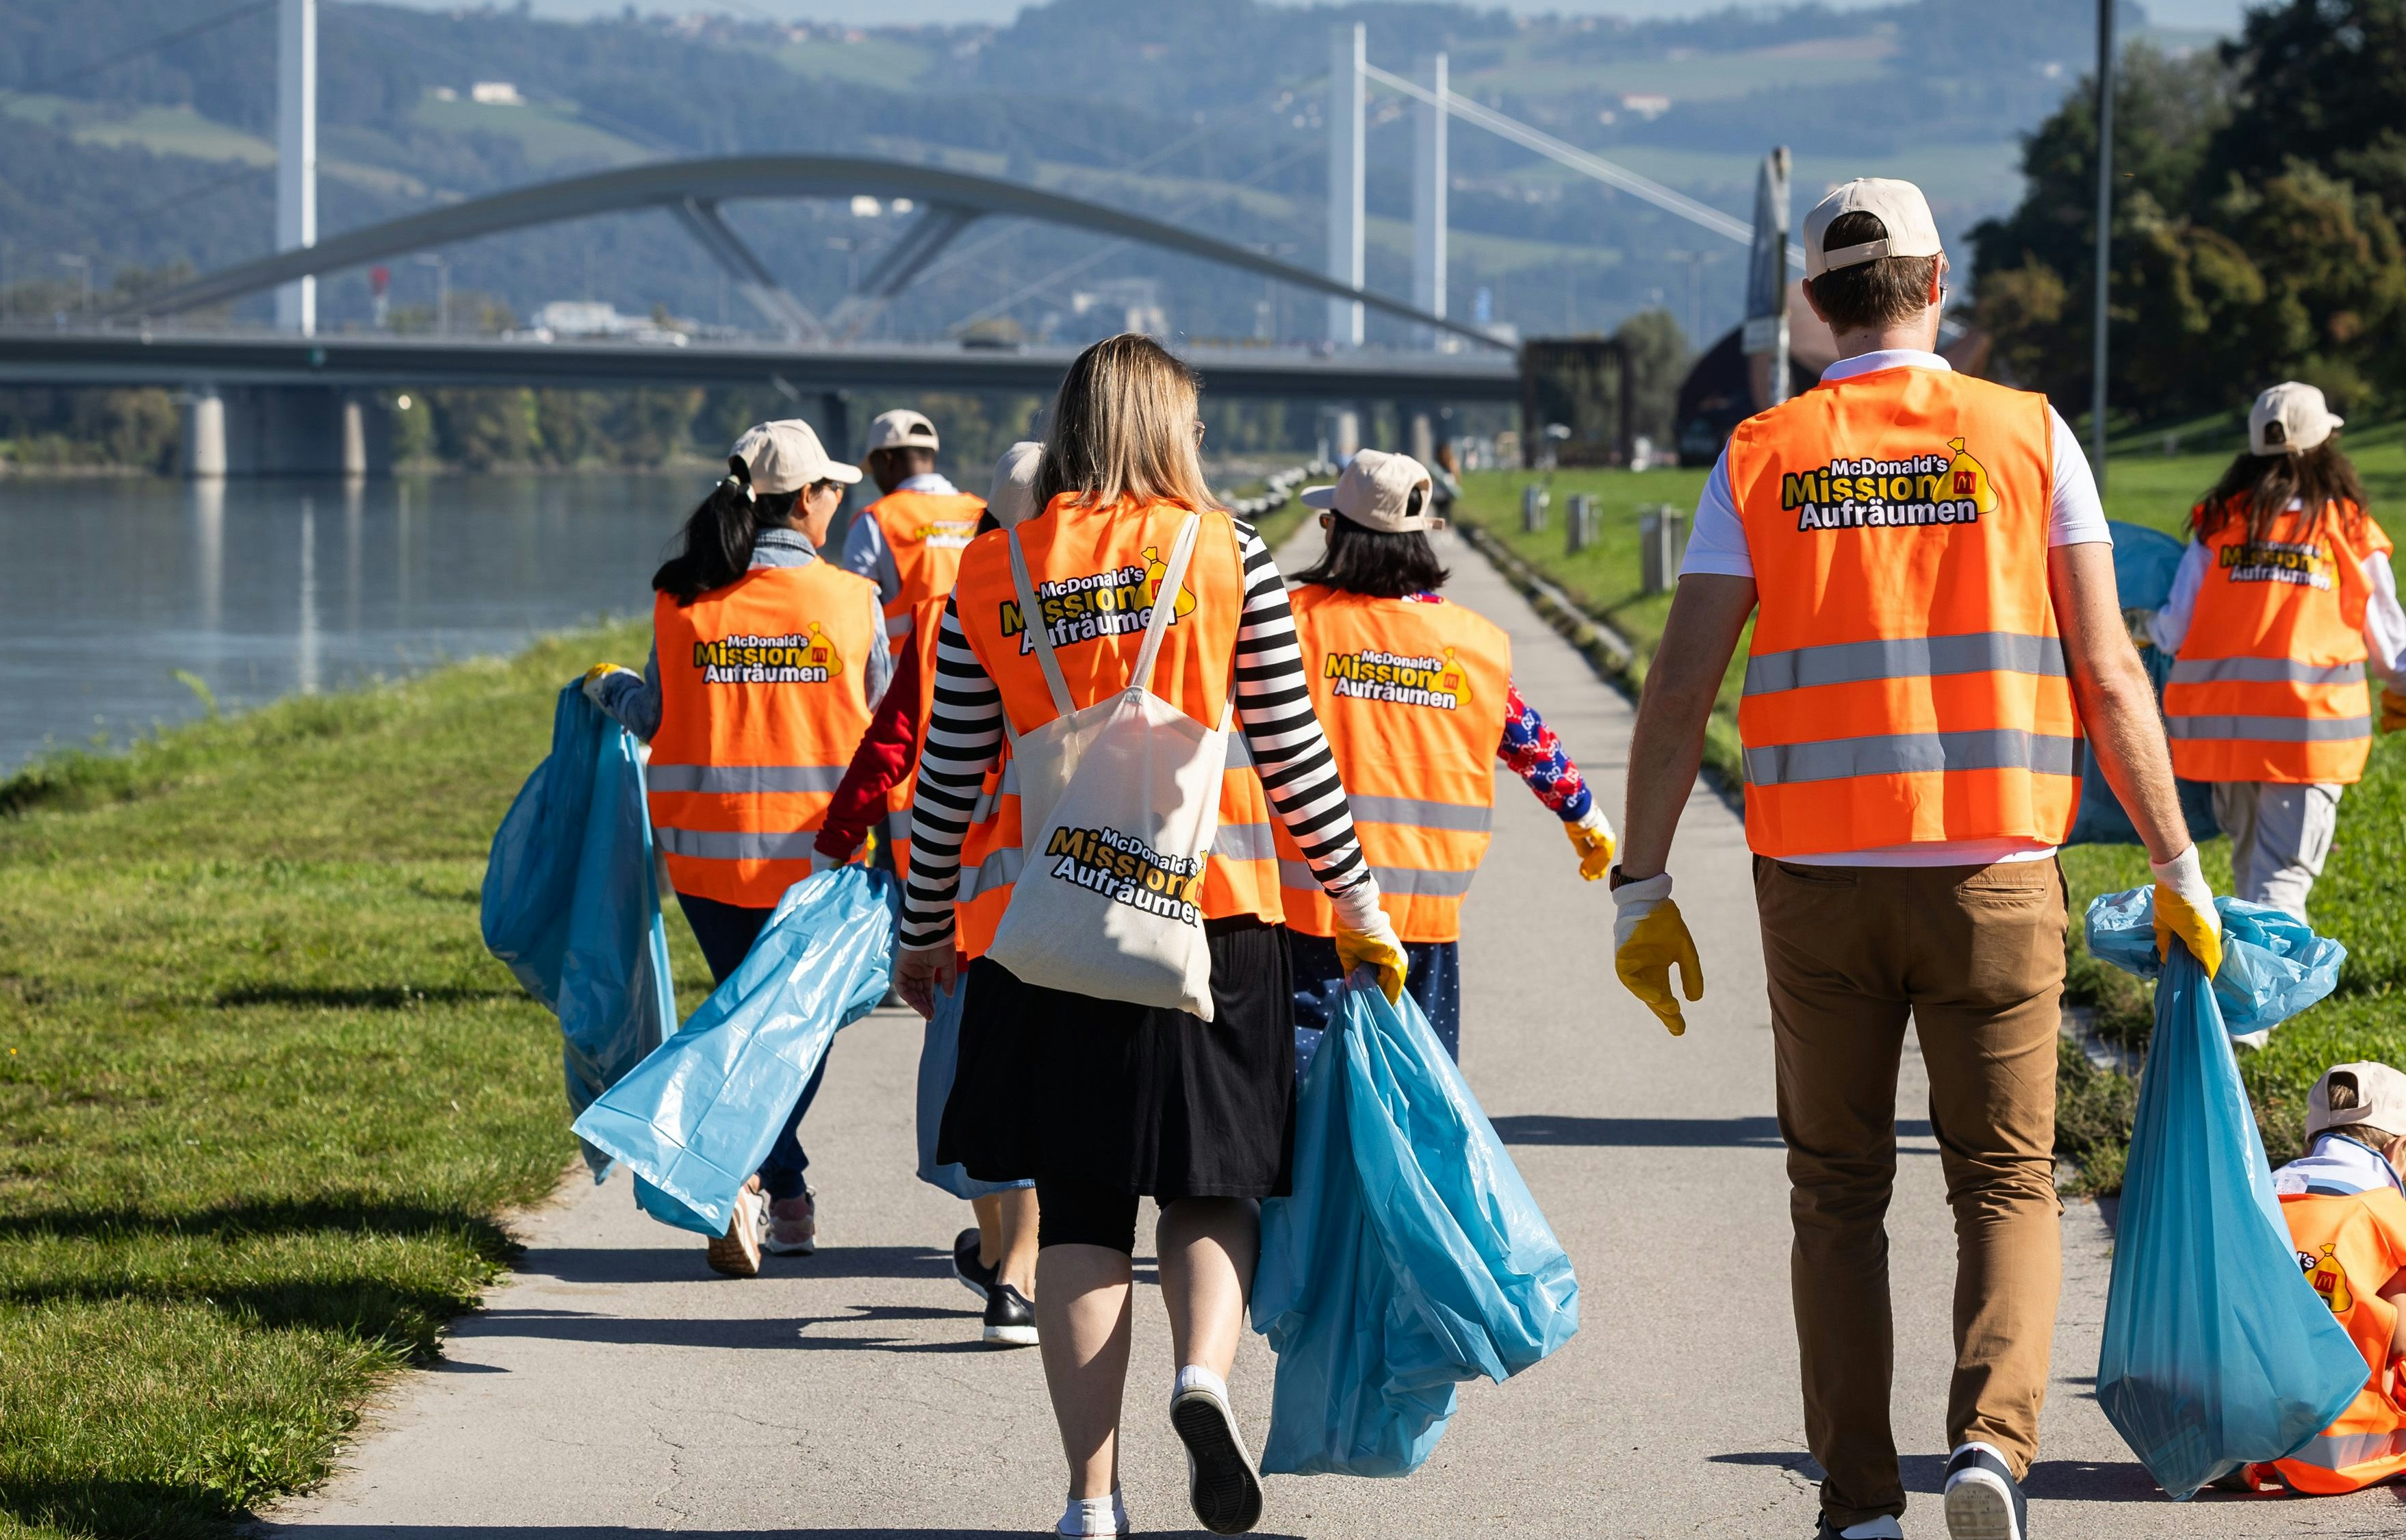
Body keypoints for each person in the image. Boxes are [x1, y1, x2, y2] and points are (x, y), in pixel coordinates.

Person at [1608, 178, 2226, 1540]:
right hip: (1995, 870)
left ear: (1812, 307)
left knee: (1834, 1193)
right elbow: (2106, 670)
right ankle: (1991, 1451)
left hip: (1818, 883)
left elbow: (1674, 693)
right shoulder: (2024, 436)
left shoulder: (1763, 452)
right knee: (2004, 1177)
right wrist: (2176, 860)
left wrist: (1637, 882)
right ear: (1937, 282)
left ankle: (1859, 1504)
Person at [890, 335, 1403, 1539]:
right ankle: (1203, 1377)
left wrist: (921, 934)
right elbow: (1292, 757)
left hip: (1053, 936)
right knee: (1213, 1189)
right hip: (1215, 926)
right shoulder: (1227, 555)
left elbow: (948, 778)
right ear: (1171, 429)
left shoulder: (990, 566)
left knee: (1079, 1211)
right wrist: (1363, 910)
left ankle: (1088, 1499)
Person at [580, 420, 890, 1279]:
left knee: (744, 1018)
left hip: (707, 861)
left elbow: (660, 719)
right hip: (821, 866)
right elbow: (887, 734)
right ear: (807, 500)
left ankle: (777, 1194)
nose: (840, 502)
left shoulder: (680, 600)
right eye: (833, 490)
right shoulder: (852, 601)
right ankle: (753, 1180)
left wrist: (613, 691)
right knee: (794, 1031)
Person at [812, 441, 1046, 1349]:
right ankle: (1016, 1274)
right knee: (1049, 1082)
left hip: (968, 894)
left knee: (978, 1076)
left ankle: (1003, 1266)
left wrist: (851, 850)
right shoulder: (1112, 608)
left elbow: (902, 741)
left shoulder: (960, 608)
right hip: (1085, 884)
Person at [1277, 447, 1616, 1056]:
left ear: (1337, 533)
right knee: (1419, 1083)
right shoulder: (1472, 645)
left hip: (1309, 907)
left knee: (1304, 1090)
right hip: (1423, 917)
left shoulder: (1293, 626)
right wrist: (1583, 814)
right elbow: (1530, 742)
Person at [2148, 382, 2406, 929]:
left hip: (2224, 736)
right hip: (2307, 739)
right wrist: (2405, 693)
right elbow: (2389, 647)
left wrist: (2140, 626)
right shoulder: (2344, 529)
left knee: (2254, 875)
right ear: (2325, 445)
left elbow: (2173, 630)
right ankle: (2246, 1016)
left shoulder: (2220, 523)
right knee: (2281, 888)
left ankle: (2233, 1008)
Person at [2236, 1062, 2406, 1493]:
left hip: (2238, 1432)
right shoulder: (2384, 1211)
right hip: (2335, 1450)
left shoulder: (2262, 1193)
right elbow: (2398, 1341)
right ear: (2401, 1148)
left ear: (2312, 1137)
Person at [839, 407, 988, 650]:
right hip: (978, 675)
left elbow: (854, 614)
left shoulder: (875, 519)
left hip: (906, 679)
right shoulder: (984, 513)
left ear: (885, 461)